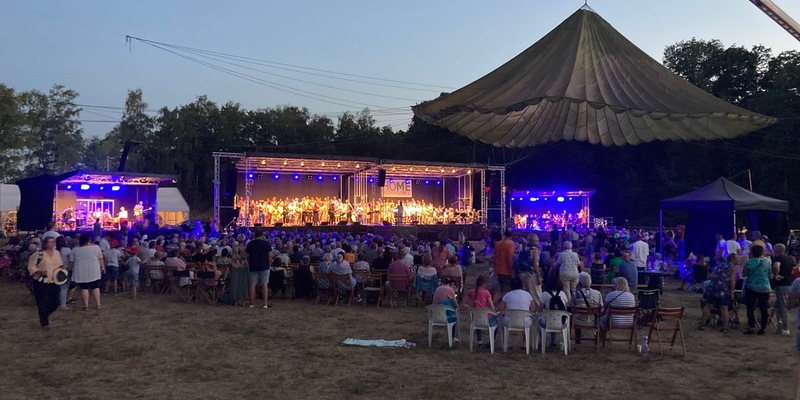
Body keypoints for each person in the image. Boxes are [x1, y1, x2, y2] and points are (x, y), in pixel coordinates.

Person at [27, 236, 63, 329]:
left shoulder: (57, 253)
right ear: (45, 244)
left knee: (55, 302)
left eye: (53, 241)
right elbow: (31, 266)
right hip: (41, 282)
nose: (52, 243)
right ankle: (44, 323)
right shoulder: (38, 254)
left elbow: (59, 264)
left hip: (54, 280)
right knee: (42, 302)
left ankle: (46, 313)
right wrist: (39, 272)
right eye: (50, 242)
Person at [699, 253, 738, 332]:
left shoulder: (720, 265)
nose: (739, 259)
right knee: (724, 308)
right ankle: (725, 327)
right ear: (732, 259)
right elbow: (732, 280)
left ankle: (702, 324)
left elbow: (711, 275)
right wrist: (732, 291)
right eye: (737, 258)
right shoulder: (733, 267)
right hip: (723, 290)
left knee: (708, 306)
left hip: (713, 288)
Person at [71, 233, 105, 311]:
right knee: (95, 287)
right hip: (94, 270)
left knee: (84, 288)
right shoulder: (96, 248)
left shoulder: (75, 250)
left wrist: (68, 269)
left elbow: (71, 261)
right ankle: (98, 304)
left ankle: (86, 306)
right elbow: (100, 258)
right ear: (89, 239)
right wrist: (102, 267)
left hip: (81, 271)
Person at [743, 245, 772, 335]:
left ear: (752, 252)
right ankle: (762, 328)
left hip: (752, 286)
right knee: (763, 308)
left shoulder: (749, 262)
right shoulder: (767, 262)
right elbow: (769, 274)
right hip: (764, 287)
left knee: (750, 308)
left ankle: (751, 327)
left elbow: (744, 274)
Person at [538, 274, 571, 348]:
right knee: (556, 317)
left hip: (547, 322)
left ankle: (541, 342)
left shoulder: (545, 294)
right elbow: (565, 307)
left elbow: (539, 309)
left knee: (540, 320)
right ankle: (554, 341)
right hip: (561, 322)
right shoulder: (563, 294)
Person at [571, 272, 602, 343]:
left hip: (578, 320)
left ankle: (577, 339)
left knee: (575, 314)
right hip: (593, 321)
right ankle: (596, 340)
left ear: (579, 282)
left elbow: (571, 305)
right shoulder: (598, 293)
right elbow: (601, 307)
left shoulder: (576, 293)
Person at [466, 274, 496, 346]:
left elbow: (466, 302)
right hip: (486, 318)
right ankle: (492, 340)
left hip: (475, 317)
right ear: (485, 283)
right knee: (497, 321)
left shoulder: (471, 292)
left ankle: (479, 340)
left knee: (478, 318)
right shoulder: (486, 293)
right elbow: (492, 308)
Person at [246, 228, 272, 309]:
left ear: (254, 234)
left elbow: (247, 256)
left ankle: (251, 303)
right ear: (262, 234)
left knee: (252, 284)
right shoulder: (266, 244)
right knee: (264, 284)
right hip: (264, 266)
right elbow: (269, 255)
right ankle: (265, 303)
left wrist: (250, 262)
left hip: (253, 266)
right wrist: (269, 263)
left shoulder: (250, 244)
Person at [773, 243, 796, 335]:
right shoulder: (790, 259)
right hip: (789, 283)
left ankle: (786, 328)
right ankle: (780, 320)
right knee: (777, 304)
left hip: (781, 284)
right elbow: (794, 270)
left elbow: (776, 266)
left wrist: (775, 275)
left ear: (776, 251)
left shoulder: (778, 259)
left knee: (782, 305)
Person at [493, 229, 515, 296]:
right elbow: (510, 258)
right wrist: (512, 270)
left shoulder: (497, 244)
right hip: (507, 270)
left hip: (498, 269)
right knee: (507, 289)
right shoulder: (510, 244)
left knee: (500, 288)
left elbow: (494, 257)